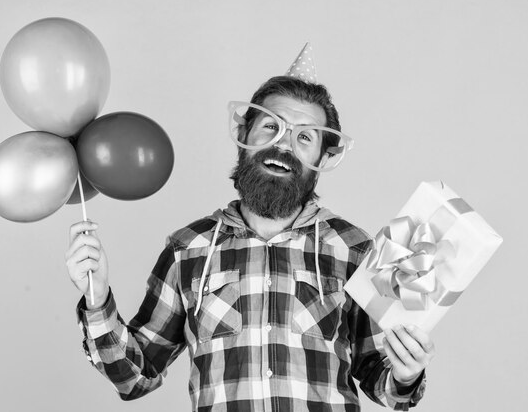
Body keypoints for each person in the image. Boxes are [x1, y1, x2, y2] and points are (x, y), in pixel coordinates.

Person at [65, 44, 435, 411]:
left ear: (322, 157)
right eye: (271, 126)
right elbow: (134, 376)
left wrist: (405, 376)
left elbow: (378, 377)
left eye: (304, 137)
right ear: (245, 135)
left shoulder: (353, 249)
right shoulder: (187, 250)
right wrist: (97, 301)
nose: (283, 144)